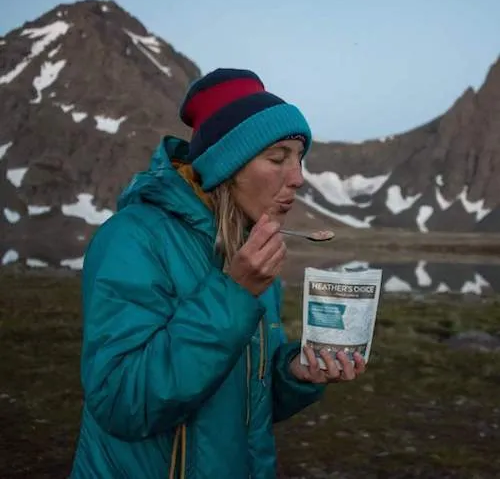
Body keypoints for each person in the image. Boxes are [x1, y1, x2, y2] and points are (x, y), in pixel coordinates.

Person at [70, 68, 366, 479]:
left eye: (299, 159)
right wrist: (233, 294)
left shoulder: (247, 250)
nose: (298, 178)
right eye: (278, 158)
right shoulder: (132, 238)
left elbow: (247, 397)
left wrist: (294, 371)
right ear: (227, 165)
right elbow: (122, 402)